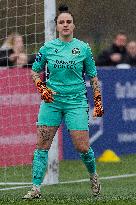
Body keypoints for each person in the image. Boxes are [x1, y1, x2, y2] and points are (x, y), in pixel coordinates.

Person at [22, 4, 104, 199]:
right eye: (61, 22)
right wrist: (41, 87)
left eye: (68, 22)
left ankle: (93, 175)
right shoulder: (47, 48)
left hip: (76, 101)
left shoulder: (83, 48)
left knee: (82, 146)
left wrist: (98, 101)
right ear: (56, 26)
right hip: (52, 101)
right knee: (42, 144)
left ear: (73, 26)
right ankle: (35, 188)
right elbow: (34, 71)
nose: (65, 25)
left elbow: (93, 77)